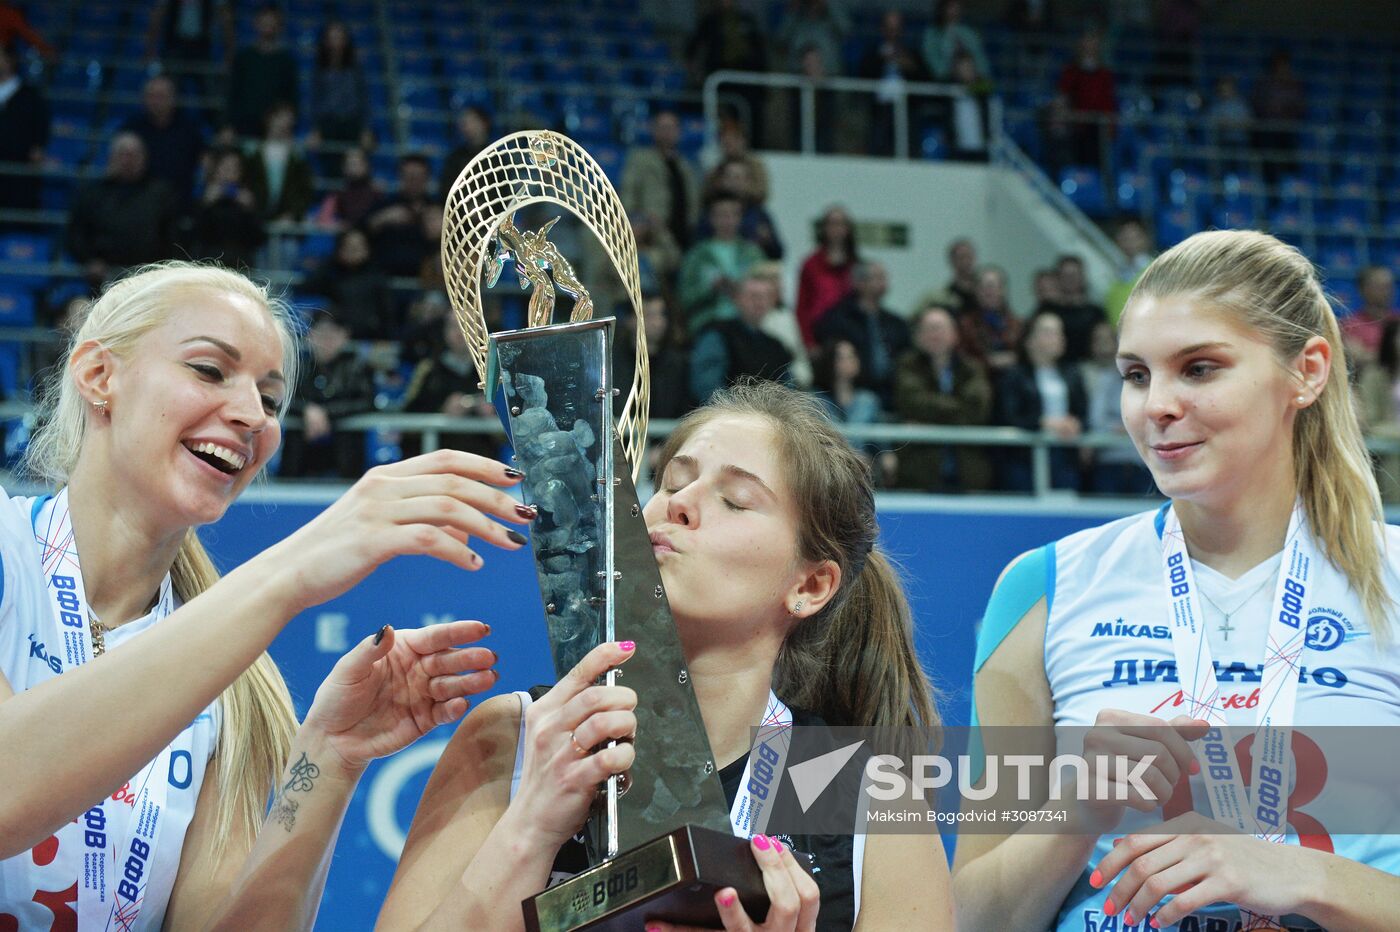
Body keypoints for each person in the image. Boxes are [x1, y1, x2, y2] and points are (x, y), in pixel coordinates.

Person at [0, 261, 533, 928]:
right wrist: (293, 569)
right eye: (209, 370)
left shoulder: (238, 688)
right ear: (99, 375)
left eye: (273, 399)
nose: (252, 414)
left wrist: (329, 760)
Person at [377, 379, 953, 931]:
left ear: (810, 586)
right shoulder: (514, 738)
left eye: (735, 500)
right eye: (671, 482)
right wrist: (529, 828)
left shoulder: (863, 795)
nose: (678, 505)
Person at [955, 230, 1400, 931]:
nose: (1155, 405)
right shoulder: (1044, 590)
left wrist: (1302, 876)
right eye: (1136, 375)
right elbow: (970, 921)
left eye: (1198, 369)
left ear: (1307, 371)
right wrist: (1076, 813)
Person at [893, 304, 994, 492]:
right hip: (919, 472)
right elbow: (912, 403)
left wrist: (927, 423)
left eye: (940, 328)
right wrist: (958, 414)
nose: (935, 334)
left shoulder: (972, 367)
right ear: (918, 336)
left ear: (955, 334)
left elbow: (976, 410)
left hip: (968, 472)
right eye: (929, 329)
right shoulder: (907, 365)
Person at [65, 133, 180, 285]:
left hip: (149, 275)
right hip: (102, 275)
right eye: (123, 155)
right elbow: (76, 233)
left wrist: (161, 268)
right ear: (112, 158)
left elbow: (171, 235)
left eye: (133, 155)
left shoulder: (160, 193)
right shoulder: (93, 193)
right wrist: (89, 260)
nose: (128, 161)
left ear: (144, 158)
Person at [995, 310, 1086, 491]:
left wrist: (1076, 423)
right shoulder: (1014, 376)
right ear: (1030, 340)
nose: (1057, 338)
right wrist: (1043, 422)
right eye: (1048, 332)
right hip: (1025, 456)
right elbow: (1007, 415)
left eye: (1059, 332)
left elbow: (1082, 412)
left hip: (1064, 453)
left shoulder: (1072, 374)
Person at [813, 261, 909, 410]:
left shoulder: (896, 323)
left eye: (884, 277)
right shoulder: (837, 319)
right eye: (876, 277)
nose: (883, 282)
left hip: (890, 393)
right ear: (859, 283)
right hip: (847, 392)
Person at [689, 274, 794, 404]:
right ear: (737, 298)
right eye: (753, 295)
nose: (760, 301)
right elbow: (708, 388)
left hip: (766, 417)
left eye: (766, 296)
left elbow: (787, 391)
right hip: (726, 416)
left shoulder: (777, 346)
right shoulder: (718, 334)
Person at [678, 193, 766, 334]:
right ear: (711, 218)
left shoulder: (753, 254)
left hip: (748, 325)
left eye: (733, 215)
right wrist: (711, 289)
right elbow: (685, 298)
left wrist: (742, 289)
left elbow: (767, 291)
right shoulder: (697, 256)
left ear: (740, 218)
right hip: (708, 324)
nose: (728, 220)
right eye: (722, 215)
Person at [121, 74, 206, 208]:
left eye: (161, 96)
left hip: (179, 199)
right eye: (151, 96)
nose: (155, 101)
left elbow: (204, 161)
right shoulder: (132, 128)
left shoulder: (189, 130)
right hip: (139, 201)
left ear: (173, 98)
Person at [621, 109, 700, 253]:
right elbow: (628, 198)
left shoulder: (686, 166)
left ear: (679, 131)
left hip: (684, 235)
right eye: (662, 127)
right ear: (653, 130)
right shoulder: (640, 160)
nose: (667, 132)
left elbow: (694, 207)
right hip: (653, 234)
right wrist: (639, 223)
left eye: (671, 128)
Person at [308, 19, 372, 174]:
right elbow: (315, 102)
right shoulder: (319, 71)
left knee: (353, 170)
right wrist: (316, 129)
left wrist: (365, 130)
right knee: (330, 170)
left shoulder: (356, 71)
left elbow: (364, 101)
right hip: (328, 127)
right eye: (332, 38)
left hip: (352, 126)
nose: (335, 43)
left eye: (339, 38)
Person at [224, 3, 298, 139]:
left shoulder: (287, 61)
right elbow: (234, 93)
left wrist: (288, 124)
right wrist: (228, 125)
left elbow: (291, 96)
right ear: (255, 24)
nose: (268, 27)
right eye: (264, 22)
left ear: (279, 27)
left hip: (276, 128)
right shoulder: (243, 58)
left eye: (272, 23)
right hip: (245, 125)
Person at [189, 147, 265, 271]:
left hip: (239, 266)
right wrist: (205, 205)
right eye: (225, 167)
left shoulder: (247, 198)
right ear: (216, 169)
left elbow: (258, 238)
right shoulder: (203, 196)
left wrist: (250, 210)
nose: (230, 172)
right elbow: (195, 235)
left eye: (235, 168)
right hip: (208, 265)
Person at [795, 205, 858, 349]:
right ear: (824, 228)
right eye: (832, 224)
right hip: (819, 333)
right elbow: (802, 307)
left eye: (841, 224)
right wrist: (808, 341)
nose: (836, 229)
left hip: (851, 335)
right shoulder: (811, 264)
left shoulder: (856, 265)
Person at [243, 101, 315, 224]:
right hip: (253, 218)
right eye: (281, 117)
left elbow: (306, 190)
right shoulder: (251, 151)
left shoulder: (297, 156)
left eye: (289, 120)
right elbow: (243, 181)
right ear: (269, 119)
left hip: (286, 222)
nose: (284, 123)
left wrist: (293, 214)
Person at [0, 39, 49, 213]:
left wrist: (38, 147)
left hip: (18, 171)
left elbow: (41, 124)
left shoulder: (30, 96)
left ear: (10, 60)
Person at [1357, 317, 1400, 503]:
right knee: (1392, 459)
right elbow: (1370, 423)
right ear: (1392, 340)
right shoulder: (1373, 376)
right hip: (1385, 445)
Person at [1339, 266, 1397, 368]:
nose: (1386, 291)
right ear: (1362, 289)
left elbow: (1364, 356)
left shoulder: (1397, 322)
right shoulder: (1349, 325)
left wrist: (1370, 354)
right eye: (1379, 286)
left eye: (1389, 286)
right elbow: (1356, 357)